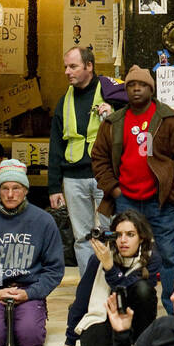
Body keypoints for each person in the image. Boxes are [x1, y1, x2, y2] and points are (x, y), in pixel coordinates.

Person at [90, 64, 174, 313]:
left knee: (169, 255)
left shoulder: (171, 119)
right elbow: (99, 158)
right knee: (124, 255)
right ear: (125, 90)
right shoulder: (114, 122)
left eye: (142, 85)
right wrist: (114, 190)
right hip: (126, 200)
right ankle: (128, 308)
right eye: (131, 85)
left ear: (152, 88)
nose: (136, 89)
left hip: (161, 202)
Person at [0, 159, 64, 346]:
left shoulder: (44, 221)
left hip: (29, 288)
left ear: (26, 189)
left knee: (30, 338)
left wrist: (30, 293)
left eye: (16, 188)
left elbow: (54, 269)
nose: (10, 194)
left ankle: (25, 317)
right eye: (4, 188)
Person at [47, 45, 125, 275]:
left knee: (112, 232)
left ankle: (112, 282)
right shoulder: (64, 101)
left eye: (73, 66)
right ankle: (88, 288)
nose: (67, 72)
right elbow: (56, 146)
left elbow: (133, 118)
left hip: (105, 176)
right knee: (82, 237)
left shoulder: (111, 91)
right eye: (65, 67)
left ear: (89, 67)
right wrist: (54, 187)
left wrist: (113, 112)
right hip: (73, 178)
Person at [59, 209, 159, 346]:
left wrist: (110, 268)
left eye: (130, 235)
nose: (123, 240)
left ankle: (141, 341)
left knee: (143, 289)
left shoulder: (151, 258)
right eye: (118, 235)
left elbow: (126, 290)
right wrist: (70, 340)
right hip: (105, 316)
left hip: (135, 318)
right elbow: (82, 297)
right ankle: (116, 343)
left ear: (141, 238)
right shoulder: (99, 258)